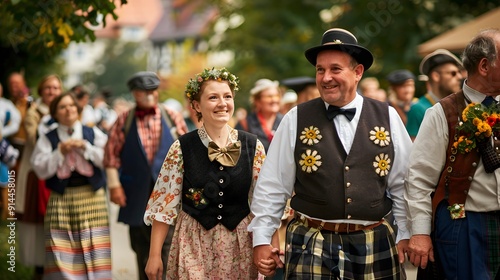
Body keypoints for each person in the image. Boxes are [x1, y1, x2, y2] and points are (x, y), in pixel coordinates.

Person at [249, 28, 412, 279]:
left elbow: (403, 184)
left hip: (374, 240)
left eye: (335, 69)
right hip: (310, 243)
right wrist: (261, 239)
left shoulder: (387, 116)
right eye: (320, 70)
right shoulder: (296, 118)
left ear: (357, 72)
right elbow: (273, 185)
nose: (326, 78)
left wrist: (406, 233)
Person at [143, 67, 266, 279]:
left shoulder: (252, 146)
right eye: (213, 97)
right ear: (197, 105)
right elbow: (164, 204)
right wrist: (154, 255)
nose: (222, 103)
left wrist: (269, 246)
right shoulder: (181, 147)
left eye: (227, 96)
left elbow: (265, 203)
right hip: (193, 243)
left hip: (240, 244)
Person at [405, 29, 500, 280]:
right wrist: (421, 233)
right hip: (465, 226)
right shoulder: (441, 113)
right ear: (484, 66)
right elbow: (419, 179)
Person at [104, 71, 187, 280]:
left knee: (167, 243)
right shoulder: (125, 119)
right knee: (140, 244)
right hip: (135, 192)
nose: (149, 96)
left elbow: (188, 150)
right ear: (134, 94)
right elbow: (111, 156)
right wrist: (114, 186)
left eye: (152, 91)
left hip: (169, 192)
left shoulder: (171, 116)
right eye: (143, 92)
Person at [31, 92, 110, 279]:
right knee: (61, 248)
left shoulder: (91, 133)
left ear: (78, 109)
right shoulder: (47, 137)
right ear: (55, 113)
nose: (68, 110)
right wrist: (59, 152)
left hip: (92, 199)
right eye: (62, 107)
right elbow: (40, 170)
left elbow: (108, 158)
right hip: (61, 200)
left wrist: (86, 148)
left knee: (95, 249)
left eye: (71, 106)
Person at [16, 74, 62, 279]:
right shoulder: (33, 113)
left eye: (55, 88)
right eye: (48, 88)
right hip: (38, 175)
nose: (52, 92)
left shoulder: (65, 110)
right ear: (41, 91)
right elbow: (36, 143)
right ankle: (40, 269)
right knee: (39, 224)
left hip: (61, 175)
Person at [406, 49, 463, 140]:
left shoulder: (460, 106)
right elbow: (414, 149)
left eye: (459, 72)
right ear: (436, 76)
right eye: (453, 73)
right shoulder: (418, 109)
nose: (459, 77)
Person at [235, 78, 283, 151]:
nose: (274, 100)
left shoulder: (285, 120)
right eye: (269, 96)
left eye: (276, 96)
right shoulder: (245, 123)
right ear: (257, 101)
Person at [0, 82, 21, 220]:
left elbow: (16, 122)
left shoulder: (6, 105)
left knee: (4, 178)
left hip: (1, 145)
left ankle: (7, 211)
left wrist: (3, 132)